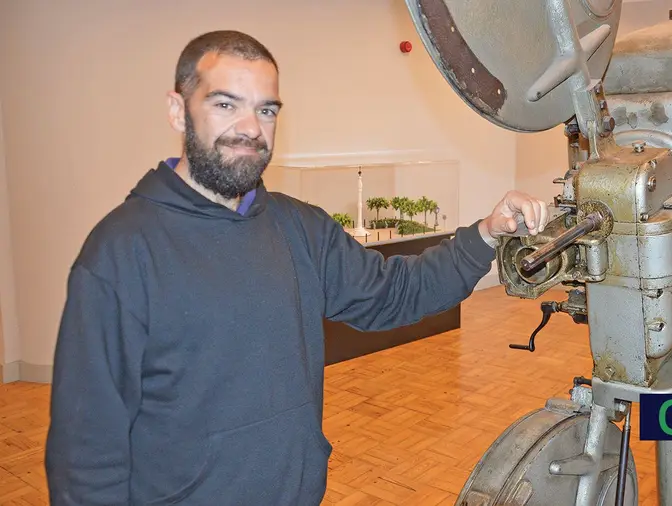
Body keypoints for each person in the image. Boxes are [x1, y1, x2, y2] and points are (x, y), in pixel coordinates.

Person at [43, 30, 549, 505]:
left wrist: (486, 232)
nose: (250, 129)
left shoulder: (299, 228)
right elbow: (86, 451)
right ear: (178, 111)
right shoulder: (121, 251)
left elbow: (393, 293)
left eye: (266, 110)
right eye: (225, 105)